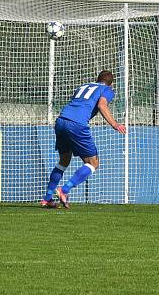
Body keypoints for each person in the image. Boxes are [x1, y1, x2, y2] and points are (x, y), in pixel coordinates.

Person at [42, 70, 126, 209]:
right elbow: (101, 105)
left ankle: (47, 198)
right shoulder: (107, 90)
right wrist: (114, 123)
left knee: (63, 161)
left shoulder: (83, 86)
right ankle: (64, 190)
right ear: (111, 84)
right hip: (77, 124)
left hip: (61, 121)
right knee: (93, 163)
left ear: (97, 79)